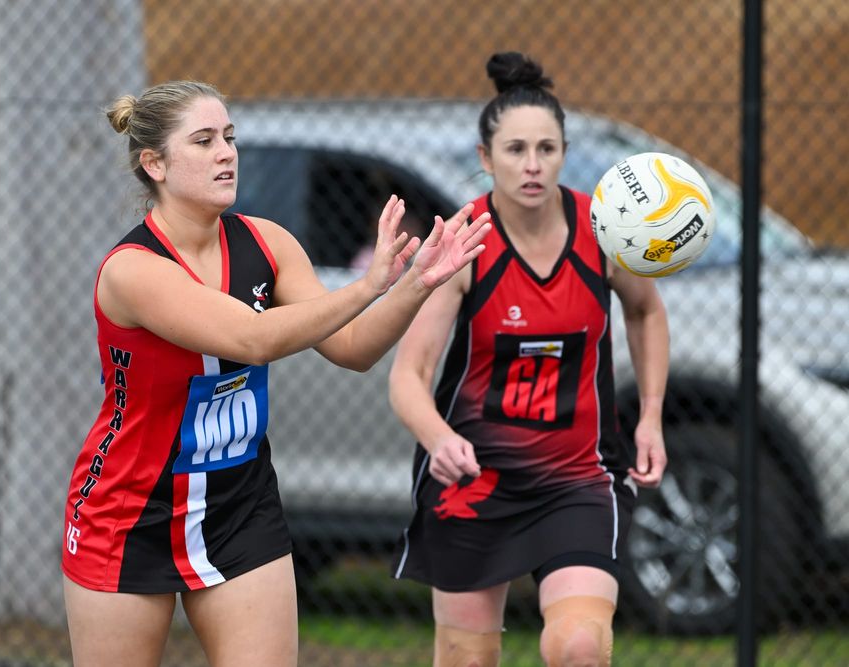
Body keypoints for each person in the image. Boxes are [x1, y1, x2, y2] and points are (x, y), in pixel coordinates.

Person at [59, 80, 491, 667]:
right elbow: (252, 339)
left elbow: (352, 348)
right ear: (154, 163)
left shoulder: (268, 243)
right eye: (205, 141)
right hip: (130, 510)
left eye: (230, 138)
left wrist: (415, 284)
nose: (226, 153)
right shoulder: (133, 271)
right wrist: (367, 284)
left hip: (240, 504)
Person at [388, 52, 669, 667]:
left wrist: (649, 416)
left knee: (577, 647)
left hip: (577, 478)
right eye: (516, 150)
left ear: (566, 152)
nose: (533, 165)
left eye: (547, 148)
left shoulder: (605, 231)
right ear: (486, 159)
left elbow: (647, 312)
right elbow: (408, 378)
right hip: (473, 477)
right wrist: (437, 439)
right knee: (466, 658)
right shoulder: (464, 244)